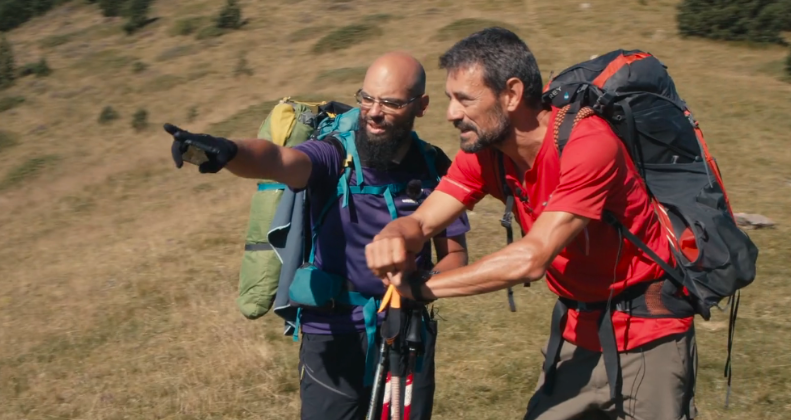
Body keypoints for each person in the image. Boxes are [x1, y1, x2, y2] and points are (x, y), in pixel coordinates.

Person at [364, 28, 698, 420]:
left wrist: (423, 289)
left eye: (464, 100)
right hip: (577, 330)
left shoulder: (589, 144)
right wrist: (395, 233)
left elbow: (531, 258)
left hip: (648, 335)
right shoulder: (486, 152)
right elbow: (423, 220)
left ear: (511, 93)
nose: (451, 114)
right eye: (450, 99)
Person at [163, 51, 470, 420]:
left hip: (407, 332)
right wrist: (229, 152)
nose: (373, 112)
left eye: (390, 103)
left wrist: (415, 288)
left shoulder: (435, 166)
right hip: (331, 331)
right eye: (367, 98)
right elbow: (278, 160)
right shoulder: (333, 154)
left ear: (421, 106)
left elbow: (455, 256)